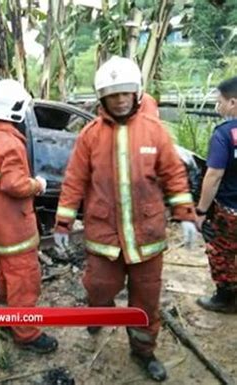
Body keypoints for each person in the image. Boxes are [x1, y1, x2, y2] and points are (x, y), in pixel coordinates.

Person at [53, 56, 197, 382]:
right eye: (112, 95)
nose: (119, 101)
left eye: (125, 94)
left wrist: (185, 214)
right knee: (99, 287)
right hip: (104, 235)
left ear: (136, 93)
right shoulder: (90, 136)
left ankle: (143, 351)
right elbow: (74, 179)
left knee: (146, 299)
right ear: (102, 98)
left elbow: (173, 175)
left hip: (147, 237)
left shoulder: (154, 132)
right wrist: (63, 222)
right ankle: (97, 312)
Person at [0, 79, 58, 354]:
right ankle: (27, 334)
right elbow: (14, 184)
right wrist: (38, 184)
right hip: (14, 228)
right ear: (15, 109)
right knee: (23, 279)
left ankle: (7, 314)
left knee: (6, 273)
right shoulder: (10, 144)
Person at [195, 76, 237, 314]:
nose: (217, 107)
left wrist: (201, 211)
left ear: (232, 103)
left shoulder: (224, 134)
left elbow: (214, 176)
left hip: (231, 209)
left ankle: (225, 297)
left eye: (219, 101)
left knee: (220, 249)